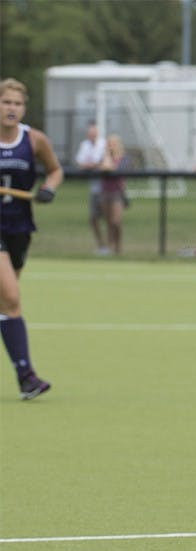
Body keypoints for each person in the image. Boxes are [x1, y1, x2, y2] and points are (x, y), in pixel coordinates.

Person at [0, 78, 62, 400]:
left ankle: (24, 376)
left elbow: (54, 170)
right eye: (6, 102)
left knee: (4, 303)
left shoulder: (34, 140)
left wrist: (49, 188)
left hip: (19, 229)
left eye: (17, 104)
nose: (11, 109)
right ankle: (27, 377)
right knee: (10, 298)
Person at [75, 121, 109, 255]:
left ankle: (110, 246)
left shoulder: (104, 144)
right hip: (94, 189)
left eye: (94, 132)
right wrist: (92, 165)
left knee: (109, 219)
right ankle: (101, 245)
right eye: (90, 132)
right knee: (93, 218)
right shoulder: (84, 145)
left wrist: (92, 164)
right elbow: (80, 162)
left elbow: (102, 163)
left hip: (106, 188)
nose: (92, 134)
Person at [99, 134, 127, 256]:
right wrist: (107, 155)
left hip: (117, 193)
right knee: (108, 222)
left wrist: (108, 166)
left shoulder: (124, 158)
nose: (110, 146)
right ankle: (109, 247)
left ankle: (118, 246)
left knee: (116, 221)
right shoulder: (104, 157)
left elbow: (115, 169)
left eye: (113, 143)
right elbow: (103, 167)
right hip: (105, 192)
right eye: (109, 143)